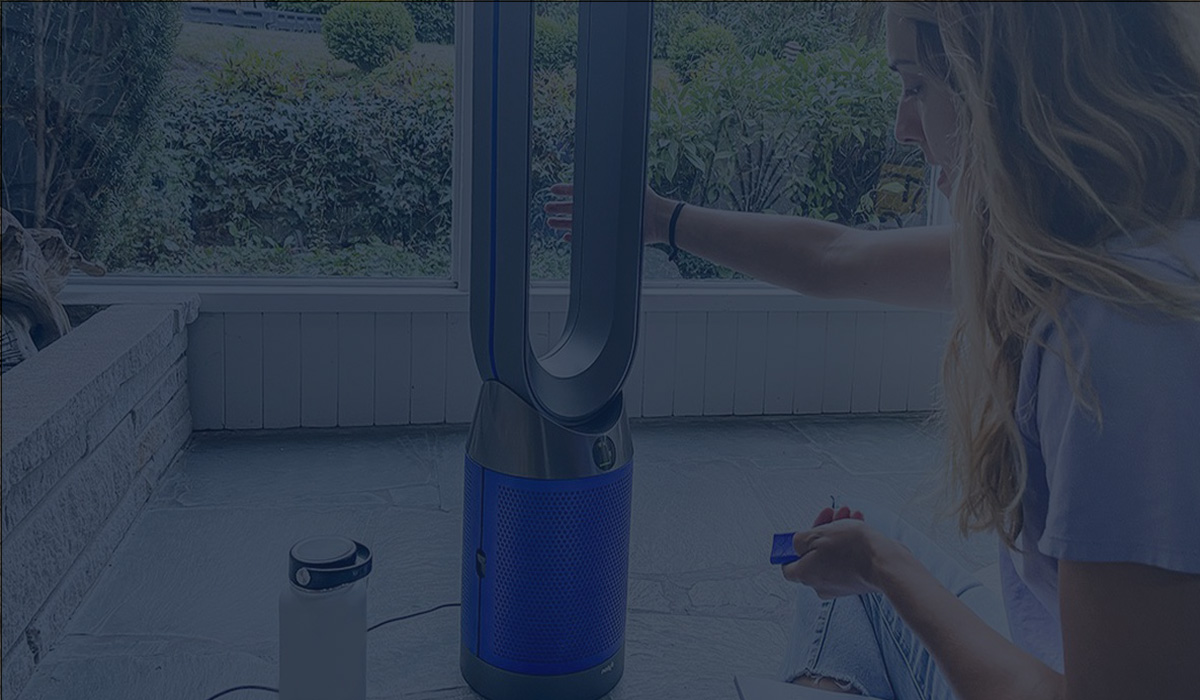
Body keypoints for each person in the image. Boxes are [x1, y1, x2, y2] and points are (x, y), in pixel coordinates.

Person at [546, 3, 1200, 698]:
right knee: (851, 540)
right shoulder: (1091, 244)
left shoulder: (1121, 334)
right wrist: (660, 220)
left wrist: (891, 571)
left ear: (1008, 89)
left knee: (866, 563)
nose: (903, 125)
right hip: (1041, 645)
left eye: (916, 85)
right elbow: (836, 256)